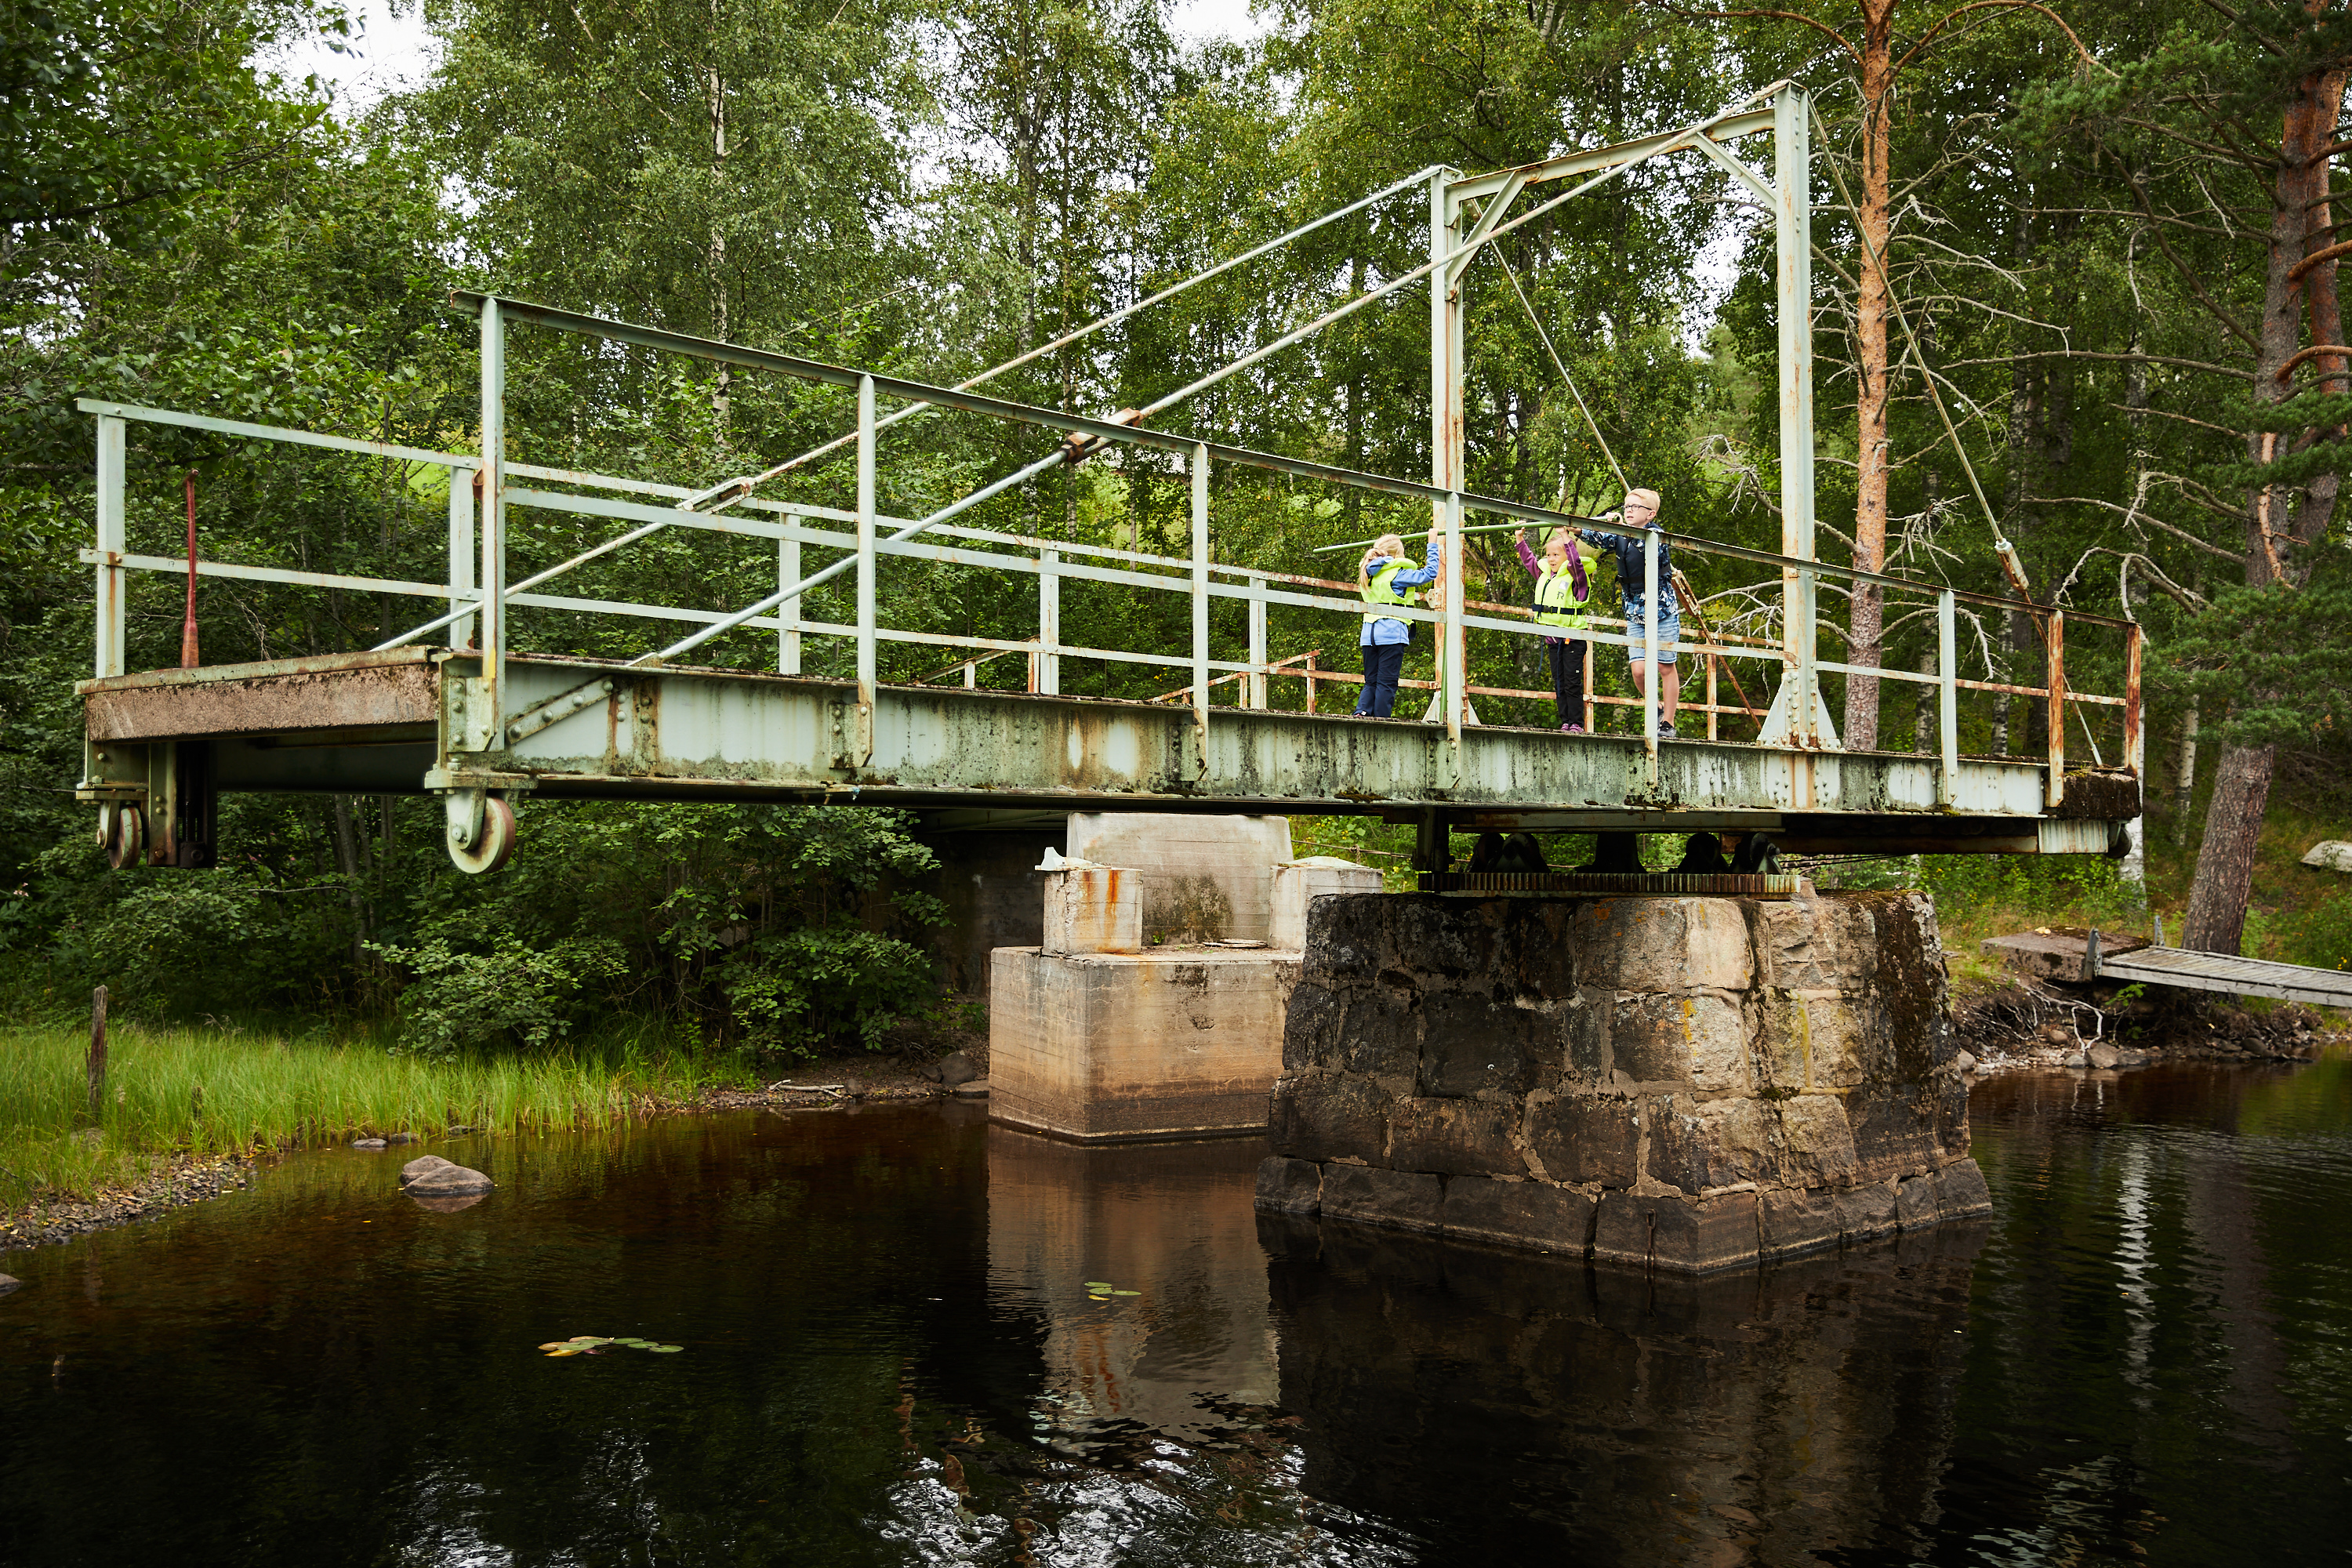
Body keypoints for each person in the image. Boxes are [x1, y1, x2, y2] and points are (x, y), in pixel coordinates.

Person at [1578, 488, 1681, 736]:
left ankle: (1668, 722)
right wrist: (1574, 529)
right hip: (1635, 612)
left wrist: (1621, 527)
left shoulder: (1657, 535)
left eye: (1635, 507)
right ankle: (1655, 707)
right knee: (1638, 670)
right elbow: (1598, 538)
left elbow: (1646, 548)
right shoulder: (1621, 535)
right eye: (1626, 506)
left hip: (1662, 611)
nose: (1629, 510)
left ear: (1650, 514)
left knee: (1665, 667)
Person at [1511, 524, 1595, 731]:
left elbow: (1576, 564)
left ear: (1567, 556)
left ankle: (1577, 723)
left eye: (1556, 554)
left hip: (1572, 639)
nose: (1551, 559)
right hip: (1553, 640)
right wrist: (1519, 539)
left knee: (1572, 682)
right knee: (1560, 683)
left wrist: (1565, 536)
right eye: (1548, 555)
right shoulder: (1546, 576)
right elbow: (1530, 561)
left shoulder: (1577, 577)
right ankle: (1565, 721)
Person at [1355, 532, 1440, 717]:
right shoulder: (1397, 574)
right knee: (1387, 682)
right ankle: (1382, 720)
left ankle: (1361, 712)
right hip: (1391, 633)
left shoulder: (1367, 573)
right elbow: (1430, 573)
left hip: (1369, 634)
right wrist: (1432, 544)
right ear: (1396, 555)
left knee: (1371, 681)